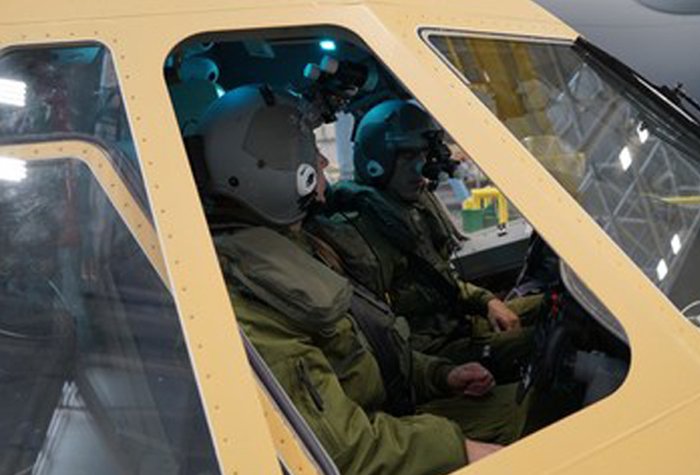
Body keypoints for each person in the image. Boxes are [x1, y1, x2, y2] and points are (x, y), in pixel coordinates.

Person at [197, 86, 536, 474]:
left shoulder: (294, 250)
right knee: (530, 406)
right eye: (311, 152)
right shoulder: (253, 291)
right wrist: (454, 448)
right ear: (273, 170)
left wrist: (440, 375)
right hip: (381, 434)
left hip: (397, 411)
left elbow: (371, 349)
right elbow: (340, 450)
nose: (324, 161)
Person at [321, 99, 545, 382]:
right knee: (544, 342)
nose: (421, 169)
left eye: (423, 156)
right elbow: (382, 340)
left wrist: (487, 301)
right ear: (377, 159)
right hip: (434, 355)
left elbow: (440, 279)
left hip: (458, 323)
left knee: (552, 306)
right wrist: (442, 374)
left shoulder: (408, 206)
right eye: (407, 157)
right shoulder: (359, 230)